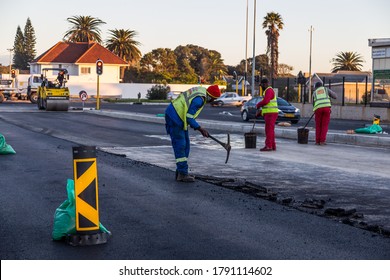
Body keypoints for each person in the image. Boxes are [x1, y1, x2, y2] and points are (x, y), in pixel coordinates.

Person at [165, 85, 221, 182]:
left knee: (186, 146)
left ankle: (180, 171)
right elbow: (189, 117)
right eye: (213, 99)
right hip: (175, 116)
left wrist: (196, 126)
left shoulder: (201, 91)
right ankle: (182, 174)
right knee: (180, 145)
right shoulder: (199, 100)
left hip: (179, 117)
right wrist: (200, 128)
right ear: (211, 97)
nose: (212, 101)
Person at [255, 78, 278, 151]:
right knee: (270, 130)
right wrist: (261, 113)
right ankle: (272, 145)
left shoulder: (268, 90)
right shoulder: (268, 91)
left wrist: (258, 105)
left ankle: (268, 146)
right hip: (270, 113)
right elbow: (267, 106)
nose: (261, 87)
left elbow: (266, 101)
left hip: (271, 114)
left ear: (264, 84)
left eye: (261, 85)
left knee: (269, 130)